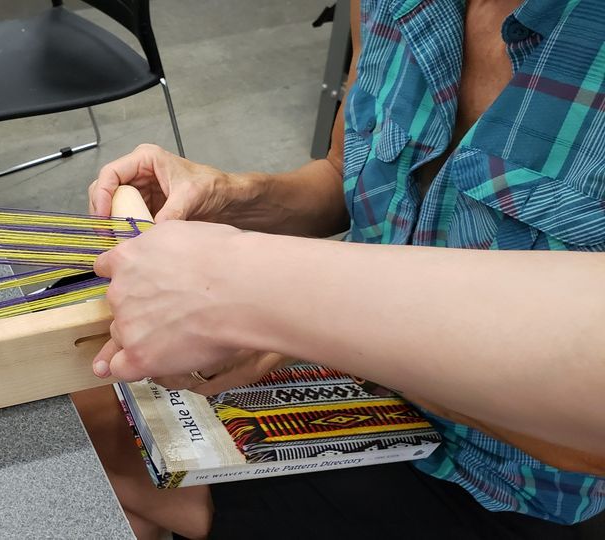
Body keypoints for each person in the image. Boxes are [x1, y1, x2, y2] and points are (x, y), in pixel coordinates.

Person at [73, 0, 605, 538]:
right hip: (354, 380)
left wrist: (288, 317)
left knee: (100, 470)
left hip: (509, 484)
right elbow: (343, 175)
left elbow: (586, 441)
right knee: (83, 412)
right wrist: (235, 196)